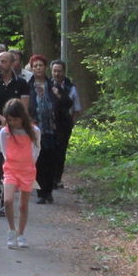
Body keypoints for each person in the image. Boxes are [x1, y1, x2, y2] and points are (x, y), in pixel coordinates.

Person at [0, 51, 31, 216]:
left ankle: (5, 201)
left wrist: (10, 122)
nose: (0, 64)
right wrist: (2, 119)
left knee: (9, 166)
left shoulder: (22, 83)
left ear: (12, 63)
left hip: (15, 131)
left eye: (4, 61)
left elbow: (23, 107)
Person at [0, 98, 40, 249]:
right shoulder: (5, 132)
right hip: (11, 168)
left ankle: (21, 233)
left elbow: (36, 149)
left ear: (22, 117)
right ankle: (11, 230)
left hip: (27, 169)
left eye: (15, 119)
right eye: (9, 120)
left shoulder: (34, 131)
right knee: (8, 200)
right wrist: (12, 161)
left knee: (23, 205)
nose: (13, 123)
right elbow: (4, 151)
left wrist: (29, 163)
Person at [27, 54, 61, 203]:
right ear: (32, 68)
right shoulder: (28, 85)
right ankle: (41, 193)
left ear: (45, 67)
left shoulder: (52, 85)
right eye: (35, 66)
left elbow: (66, 102)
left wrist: (58, 96)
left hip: (52, 128)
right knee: (39, 160)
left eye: (40, 65)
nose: (38, 68)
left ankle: (49, 191)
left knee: (51, 160)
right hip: (36, 127)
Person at [50, 59, 79, 188]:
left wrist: (72, 123)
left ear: (64, 72)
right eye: (54, 71)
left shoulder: (70, 87)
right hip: (50, 123)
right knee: (49, 151)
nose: (57, 74)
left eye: (59, 71)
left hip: (64, 124)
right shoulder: (47, 84)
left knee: (61, 151)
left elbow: (76, 107)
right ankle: (48, 178)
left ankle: (57, 178)